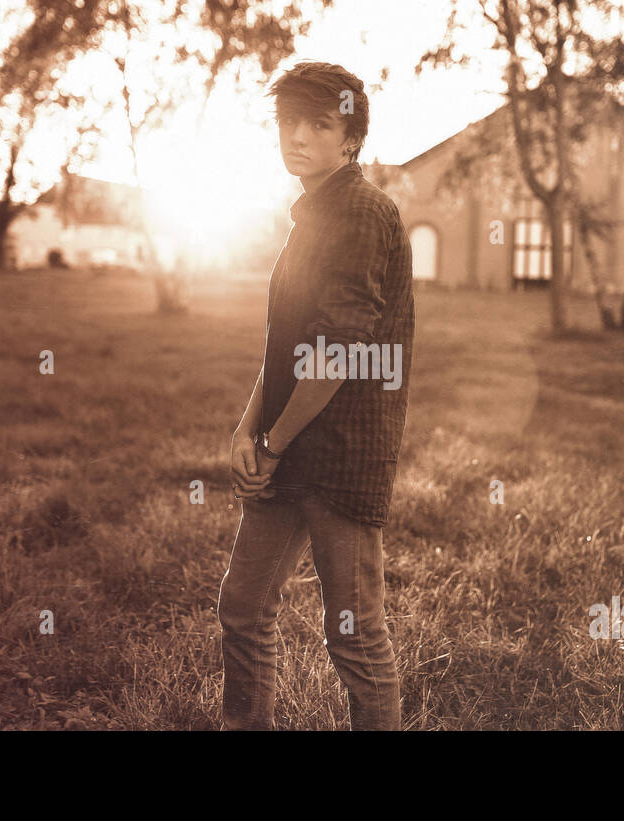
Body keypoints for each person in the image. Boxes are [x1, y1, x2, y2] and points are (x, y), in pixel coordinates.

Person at [217, 61, 415, 731]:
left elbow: (336, 351)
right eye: (287, 122)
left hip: (338, 456)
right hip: (286, 449)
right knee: (243, 608)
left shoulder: (362, 212)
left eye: (318, 124)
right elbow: (285, 345)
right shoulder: (311, 216)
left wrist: (271, 443)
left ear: (351, 138)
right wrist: (247, 432)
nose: (297, 136)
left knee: (354, 636)